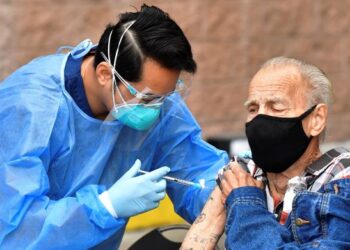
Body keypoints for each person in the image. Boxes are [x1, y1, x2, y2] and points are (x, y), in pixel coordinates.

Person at [0, 4, 228, 249]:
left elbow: (194, 169)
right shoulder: (29, 107)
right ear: (105, 74)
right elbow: (16, 230)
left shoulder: (157, 100)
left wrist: (235, 189)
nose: (157, 109)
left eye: (165, 97)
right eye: (148, 99)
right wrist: (106, 206)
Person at [181, 57, 350, 250]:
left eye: (276, 107)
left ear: (316, 119)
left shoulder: (341, 179)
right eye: (253, 109)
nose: (260, 119)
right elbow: (198, 240)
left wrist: (246, 203)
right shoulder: (242, 173)